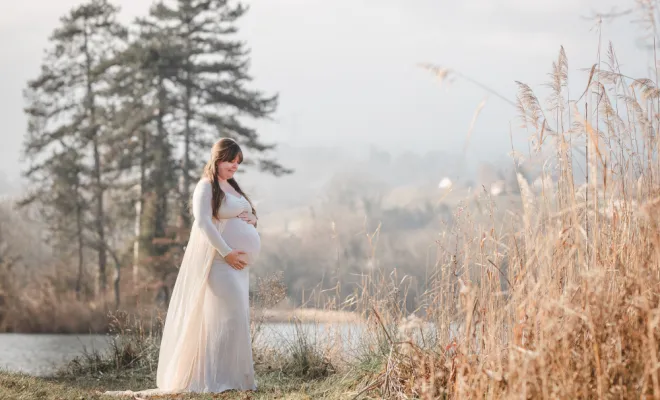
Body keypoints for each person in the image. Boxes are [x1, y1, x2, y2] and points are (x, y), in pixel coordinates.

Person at [106, 138, 260, 397]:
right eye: (230, 160)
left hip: (238, 267)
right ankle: (214, 379)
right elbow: (203, 223)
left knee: (236, 318)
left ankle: (235, 379)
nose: (235, 166)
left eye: (238, 162)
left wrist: (252, 219)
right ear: (217, 158)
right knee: (224, 318)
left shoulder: (231, 186)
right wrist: (228, 252)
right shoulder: (205, 187)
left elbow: (247, 215)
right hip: (220, 263)